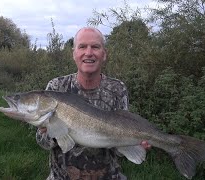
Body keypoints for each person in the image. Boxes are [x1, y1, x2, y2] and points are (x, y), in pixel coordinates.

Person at [36, 27, 150, 180]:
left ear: (104, 54)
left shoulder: (117, 88)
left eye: (95, 47)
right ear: (74, 53)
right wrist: (51, 129)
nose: (88, 53)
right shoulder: (57, 87)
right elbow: (43, 143)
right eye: (82, 46)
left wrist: (135, 144)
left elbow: (117, 150)